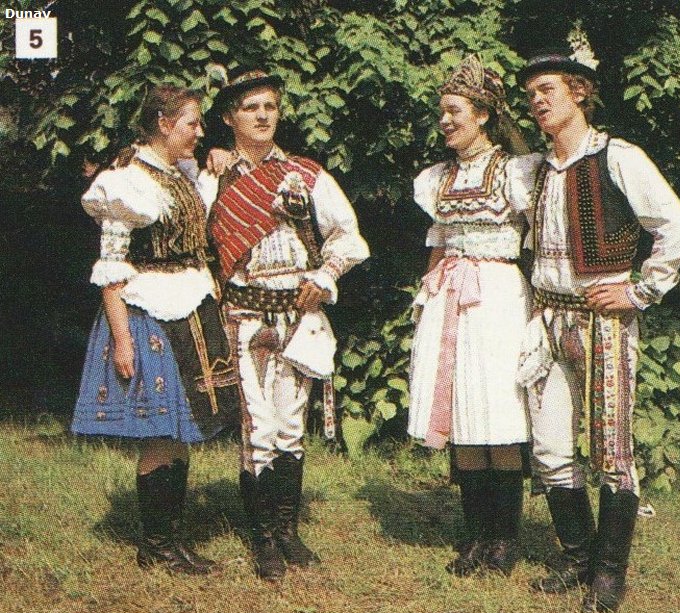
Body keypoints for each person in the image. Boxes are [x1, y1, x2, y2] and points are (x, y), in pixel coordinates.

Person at [515, 31, 680, 613]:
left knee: (613, 452)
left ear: (579, 91)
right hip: (546, 320)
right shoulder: (534, 170)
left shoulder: (619, 157)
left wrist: (640, 290)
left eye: (547, 89)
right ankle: (577, 559)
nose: (538, 101)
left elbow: (676, 229)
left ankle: (609, 573)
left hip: (603, 323)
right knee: (549, 449)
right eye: (531, 94)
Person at [198, 70, 369, 582]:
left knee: (292, 427)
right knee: (258, 428)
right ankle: (263, 539)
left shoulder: (303, 174)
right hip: (243, 318)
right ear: (229, 117)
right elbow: (195, 244)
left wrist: (325, 275)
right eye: (250, 107)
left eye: (270, 106)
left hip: (298, 315)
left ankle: (287, 530)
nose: (262, 116)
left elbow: (347, 235)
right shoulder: (211, 179)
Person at [71, 85, 240, 574]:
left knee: (180, 429)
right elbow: (111, 269)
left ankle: (170, 541)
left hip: (188, 307)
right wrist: (122, 340)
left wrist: (215, 165)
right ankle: (156, 546)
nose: (200, 132)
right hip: (146, 313)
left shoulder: (178, 173)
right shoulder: (126, 182)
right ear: (164, 124)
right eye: (192, 123)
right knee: (160, 432)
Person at [407, 54, 537, 578]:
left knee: (498, 412)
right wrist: (425, 299)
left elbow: (542, 239)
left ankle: (504, 538)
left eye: (454, 111)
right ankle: (477, 534)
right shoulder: (438, 179)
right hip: (448, 298)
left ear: (483, 115)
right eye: (441, 112)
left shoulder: (516, 171)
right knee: (462, 413)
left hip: (498, 297)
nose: (445, 121)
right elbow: (439, 242)